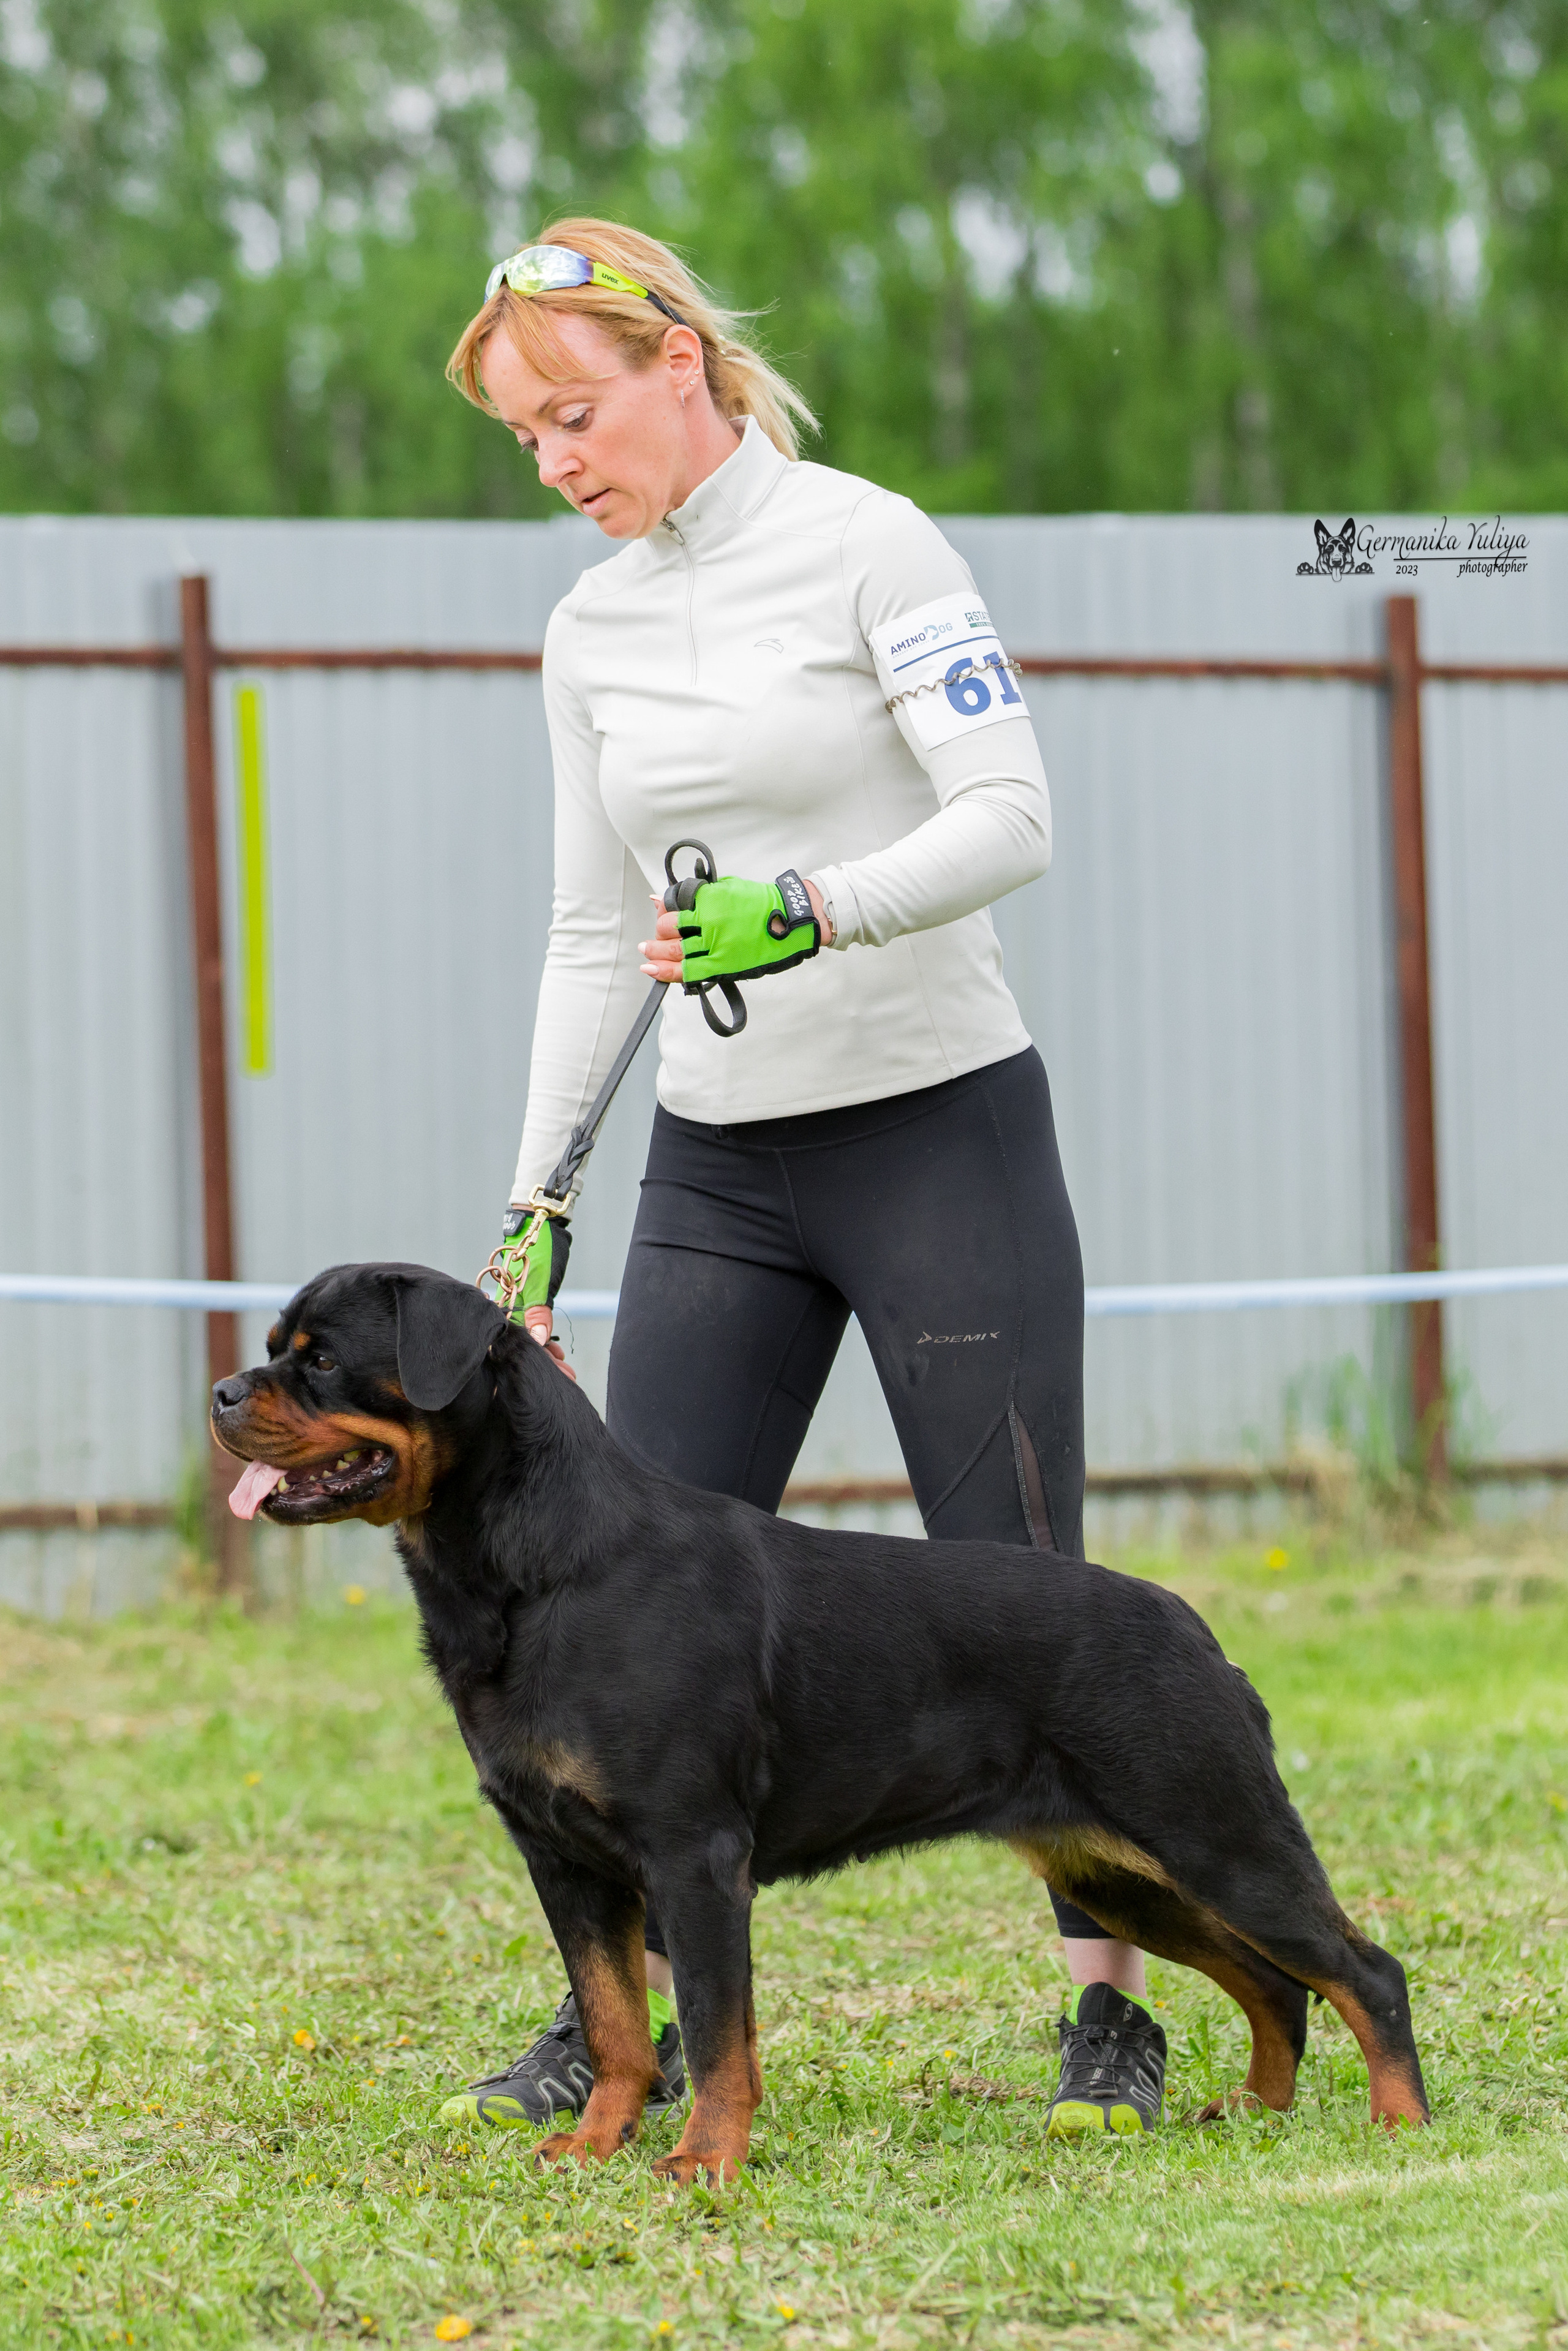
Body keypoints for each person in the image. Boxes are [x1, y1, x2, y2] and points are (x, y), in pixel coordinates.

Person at [435, 219, 1167, 2142]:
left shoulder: (875, 542)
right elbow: (597, 936)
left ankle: (1112, 2010)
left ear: (679, 361)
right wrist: (535, 1202)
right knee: (624, 1590)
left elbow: (1013, 818)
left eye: (572, 415)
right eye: (525, 441)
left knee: (1023, 1585)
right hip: (717, 1171)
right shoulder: (587, 629)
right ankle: (631, 2027)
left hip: (938, 1128)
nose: (557, 463)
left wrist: (811, 910)